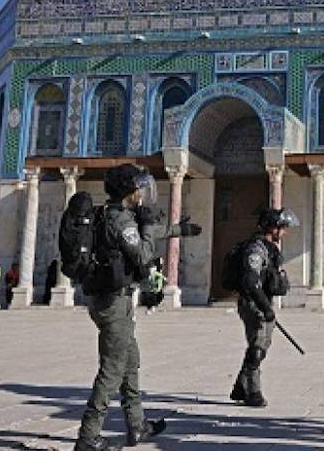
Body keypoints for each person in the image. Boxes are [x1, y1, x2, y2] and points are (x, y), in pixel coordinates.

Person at [75, 164, 203, 451]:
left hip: (106, 300)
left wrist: (179, 230)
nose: (143, 192)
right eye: (139, 187)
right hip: (114, 303)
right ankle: (88, 436)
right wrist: (147, 228)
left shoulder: (107, 215)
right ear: (129, 191)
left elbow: (147, 231)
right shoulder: (123, 222)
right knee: (112, 369)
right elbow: (143, 252)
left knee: (130, 363)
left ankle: (137, 426)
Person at [229, 207, 296, 408]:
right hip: (253, 303)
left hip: (262, 301)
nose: (284, 232)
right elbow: (251, 281)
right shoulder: (256, 249)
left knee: (261, 346)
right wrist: (265, 307)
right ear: (272, 228)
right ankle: (253, 391)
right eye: (282, 228)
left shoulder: (269, 248)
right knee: (257, 347)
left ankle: (240, 386)